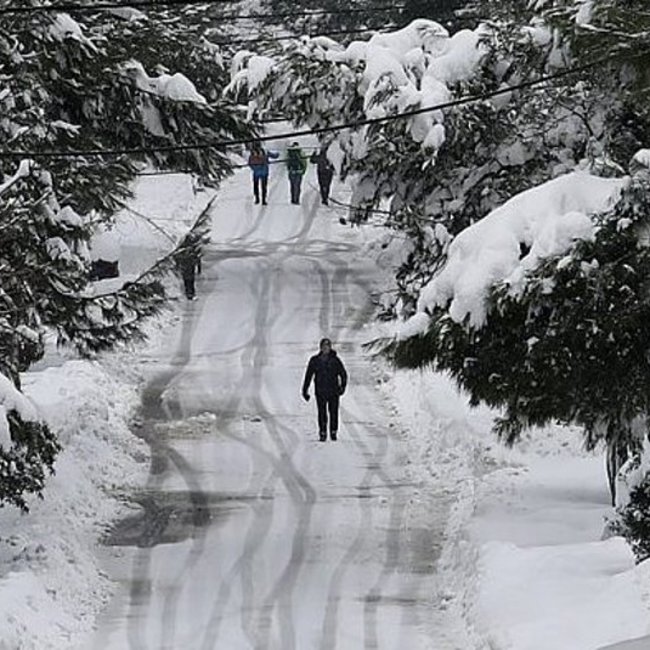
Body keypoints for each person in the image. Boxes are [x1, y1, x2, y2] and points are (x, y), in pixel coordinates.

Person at [302, 338, 348, 442]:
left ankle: (333, 431)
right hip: (320, 391)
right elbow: (308, 375)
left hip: (333, 391)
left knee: (333, 412)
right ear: (321, 348)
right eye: (323, 347)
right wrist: (305, 390)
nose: (325, 349)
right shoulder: (315, 360)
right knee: (322, 413)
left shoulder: (335, 360)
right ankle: (322, 432)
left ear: (330, 348)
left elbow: (343, 374)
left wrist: (342, 387)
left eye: (327, 347)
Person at [176, 235, 202, 300]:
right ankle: (191, 293)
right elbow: (197, 257)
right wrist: (199, 267)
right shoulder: (193, 246)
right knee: (190, 280)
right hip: (189, 265)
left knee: (187, 280)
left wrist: (178, 265)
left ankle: (189, 292)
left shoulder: (181, 246)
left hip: (186, 265)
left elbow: (177, 256)